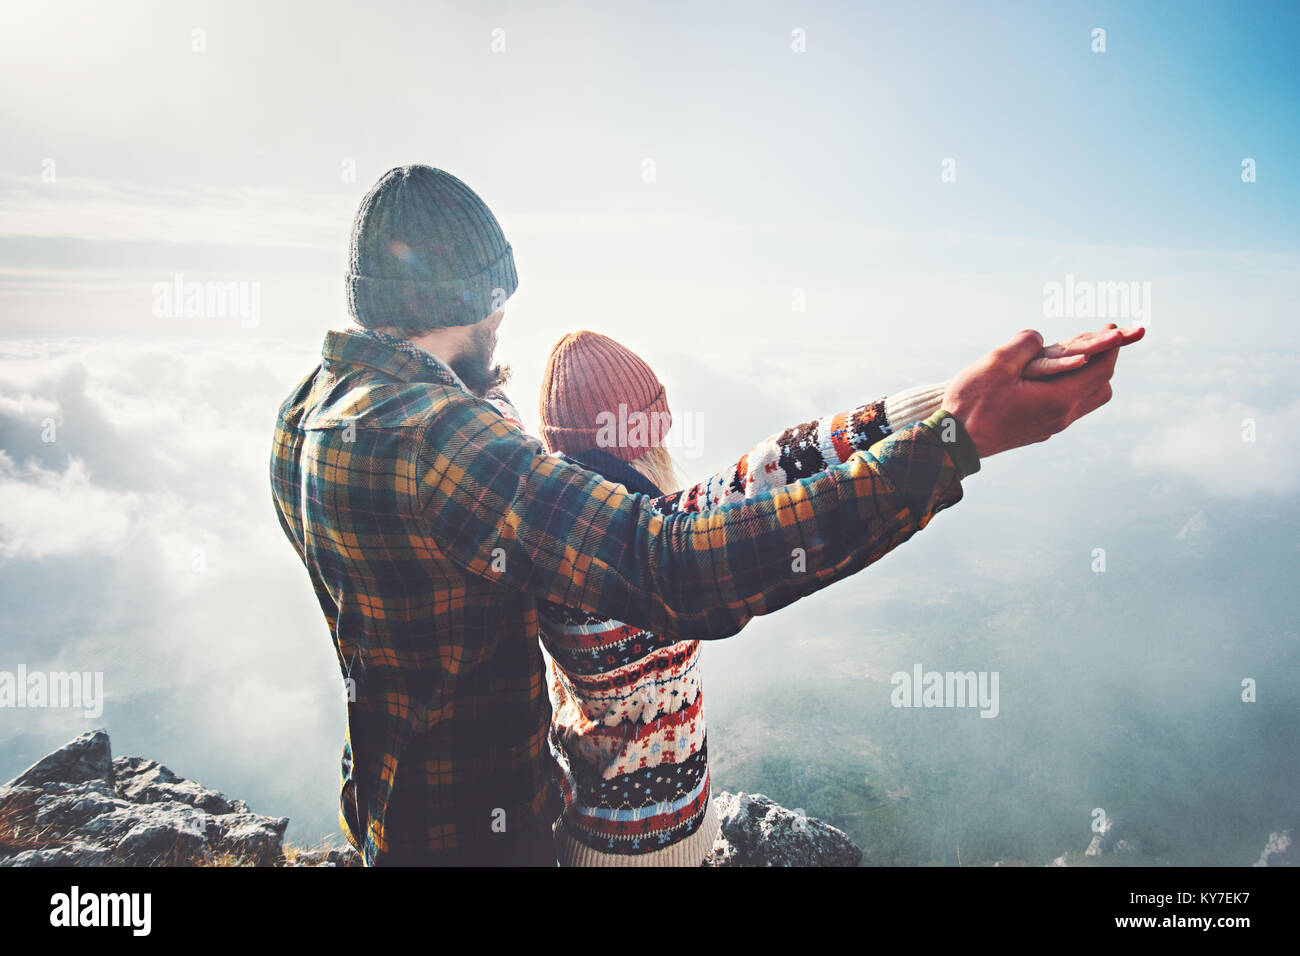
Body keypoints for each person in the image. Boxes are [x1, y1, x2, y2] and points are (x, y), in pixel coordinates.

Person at [269, 164, 1143, 866]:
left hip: (386, 807)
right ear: (471, 301)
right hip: (485, 833)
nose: (507, 326)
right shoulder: (441, 444)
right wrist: (949, 446)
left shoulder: (309, 414)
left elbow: (740, 473)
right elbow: (672, 565)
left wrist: (937, 407)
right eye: (501, 305)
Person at [532, 327, 1139, 865]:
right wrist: (955, 427)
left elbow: (775, 465)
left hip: (636, 834)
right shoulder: (628, 556)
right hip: (623, 853)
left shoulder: (590, 537)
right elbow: (772, 483)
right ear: (643, 438)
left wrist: (951, 402)